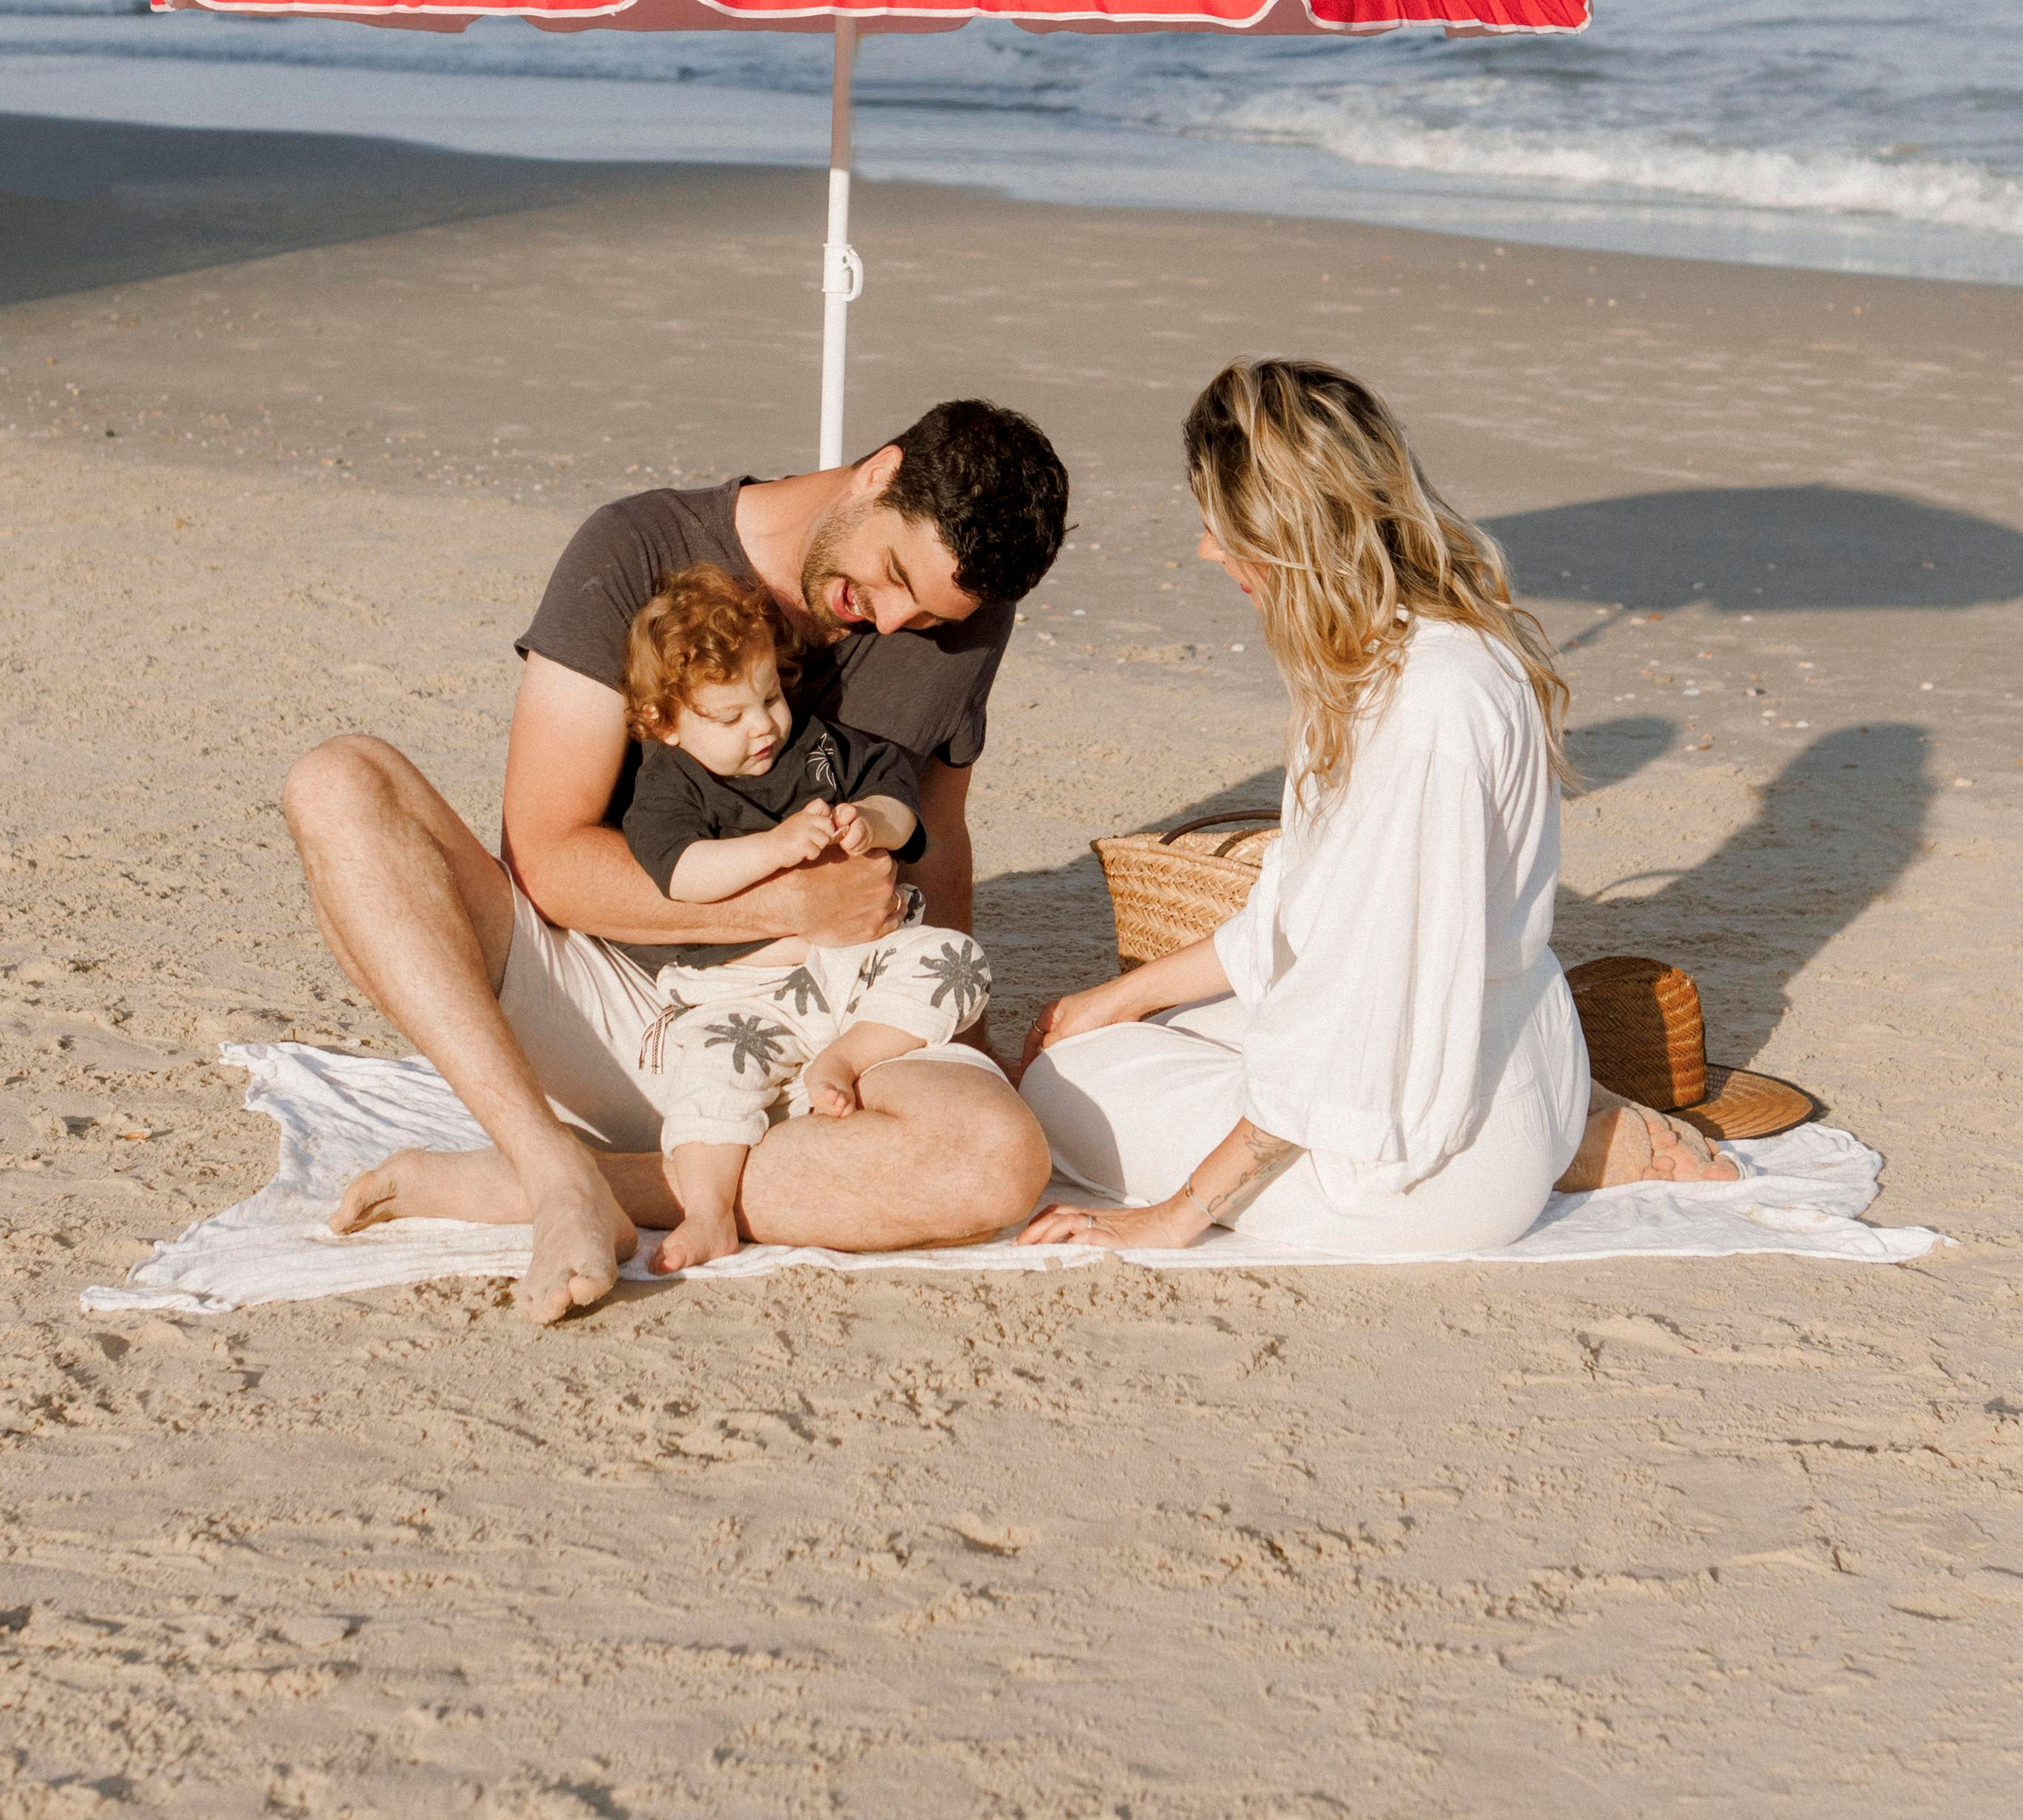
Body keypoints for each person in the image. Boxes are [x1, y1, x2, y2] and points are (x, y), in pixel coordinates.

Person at [282, 400, 1064, 1322]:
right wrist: (780, 908)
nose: (891, 621)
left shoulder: (962, 611)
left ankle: (575, 1183)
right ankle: (552, 1169)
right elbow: (548, 858)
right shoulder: (635, 546)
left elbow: (940, 823)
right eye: (890, 576)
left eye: (928, 614)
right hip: (619, 1001)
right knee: (337, 781)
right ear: (879, 472)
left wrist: (954, 1032)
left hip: (838, 1018)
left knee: (997, 1162)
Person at [1018, 360, 1738, 1261]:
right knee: (1128, 1029)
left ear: (1288, 533)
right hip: (1505, 1063)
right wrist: (1110, 997)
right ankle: (1564, 1136)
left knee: (1063, 1084)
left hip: (1440, 1176)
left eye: (1222, 526)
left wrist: (1175, 1216)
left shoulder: (1422, 710)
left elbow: (1353, 1010)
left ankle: (1565, 1152)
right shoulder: (1416, 650)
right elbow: (1297, 921)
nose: (1208, 551)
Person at [614, 561, 993, 1275]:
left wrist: (870, 823)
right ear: (665, 721)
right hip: (741, 993)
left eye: (769, 697)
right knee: (710, 1077)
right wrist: (776, 846)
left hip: (854, 969)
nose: (762, 727)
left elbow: (897, 794)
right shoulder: (667, 785)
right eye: (729, 716)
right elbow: (681, 874)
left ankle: (844, 1059)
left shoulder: (814, 746)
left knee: (954, 961)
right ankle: (708, 1212)